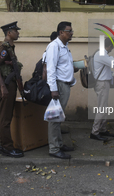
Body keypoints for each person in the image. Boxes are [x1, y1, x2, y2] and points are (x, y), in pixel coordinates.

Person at [0, 22, 24, 158]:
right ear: (9, 33)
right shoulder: (3, 47)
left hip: (10, 84)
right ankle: (6, 147)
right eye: (16, 31)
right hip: (5, 84)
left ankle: (6, 144)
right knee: (5, 117)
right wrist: (3, 86)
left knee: (8, 116)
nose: (18, 33)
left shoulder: (10, 48)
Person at [46, 21, 77, 159]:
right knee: (54, 118)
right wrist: (53, 89)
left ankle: (58, 144)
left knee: (59, 118)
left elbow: (63, 66)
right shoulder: (54, 46)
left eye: (71, 31)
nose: (71, 33)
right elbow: (50, 69)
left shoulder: (64, 46)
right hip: (58, 86)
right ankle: (54, 148)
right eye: (69, 31)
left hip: (65, 85)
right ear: (61, 32)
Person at [90, 37, 114, 141]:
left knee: (104, 107)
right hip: (102, 84)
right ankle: (95, 131)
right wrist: (112, 57)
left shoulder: (101, 53)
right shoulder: (102, 54)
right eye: (112, 48)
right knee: (102, 108)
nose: (111, 50)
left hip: (103, 83)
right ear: (109, 46)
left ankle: (102, 129)